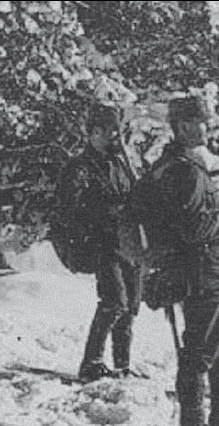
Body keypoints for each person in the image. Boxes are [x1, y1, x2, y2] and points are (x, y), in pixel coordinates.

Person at [136, 96, 219, 426]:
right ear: (185, 126)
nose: (206, 127)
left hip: (208, 271)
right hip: (200, 273)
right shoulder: (185, 171)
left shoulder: (182, 166)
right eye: (201, 121)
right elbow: (193, 229)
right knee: (200, 350)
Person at [74, 104, 144, 383]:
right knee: (114, 302)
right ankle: (91, 363)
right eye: (106, 131)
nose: (113, 136)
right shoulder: (80, 167)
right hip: (103, 242)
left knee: (130, 307)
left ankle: (122, 365)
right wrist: (104, 213)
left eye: (116, 130)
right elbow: (70, 208)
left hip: (129, 242)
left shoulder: (121, 164)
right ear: (92, 133)